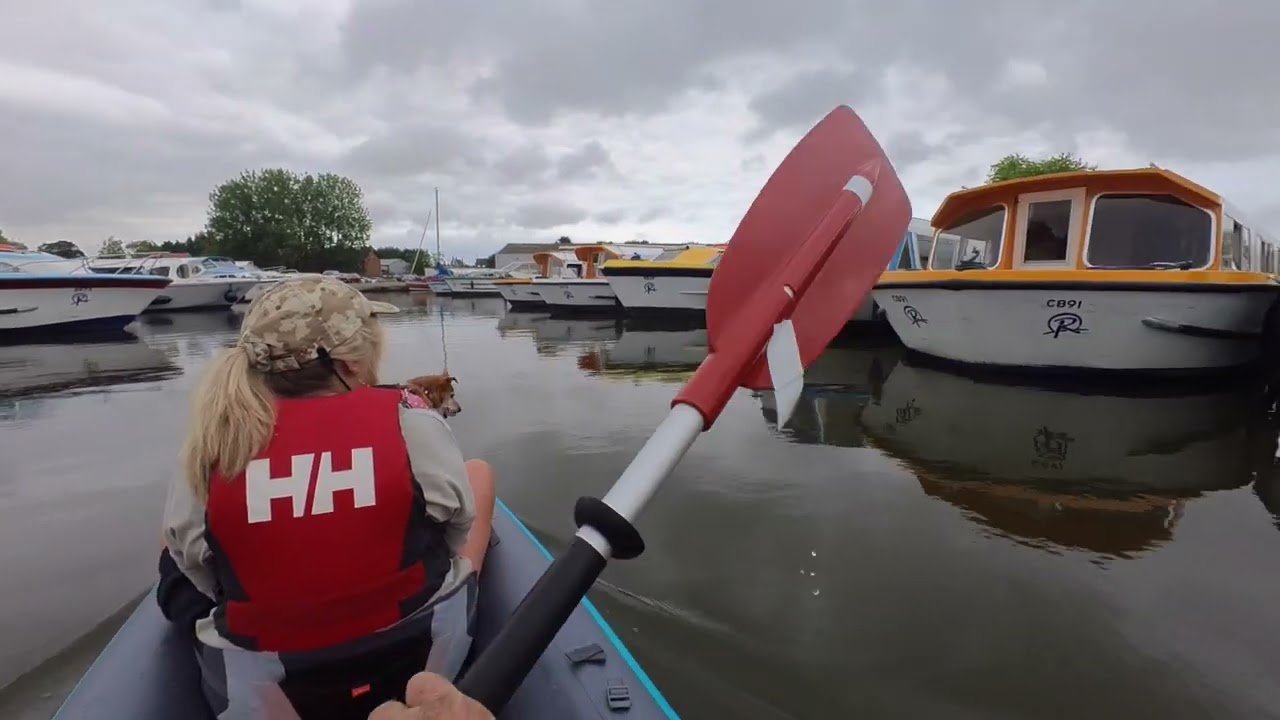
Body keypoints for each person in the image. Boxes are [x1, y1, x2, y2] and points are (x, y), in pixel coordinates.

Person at [160, 275, 496, 720]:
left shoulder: (209, 451)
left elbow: (201, 577)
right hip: (419, 656)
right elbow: (455, 532)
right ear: (351, 363)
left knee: (172, 547)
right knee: (479, 474)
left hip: (271, 690)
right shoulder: (411, 424)